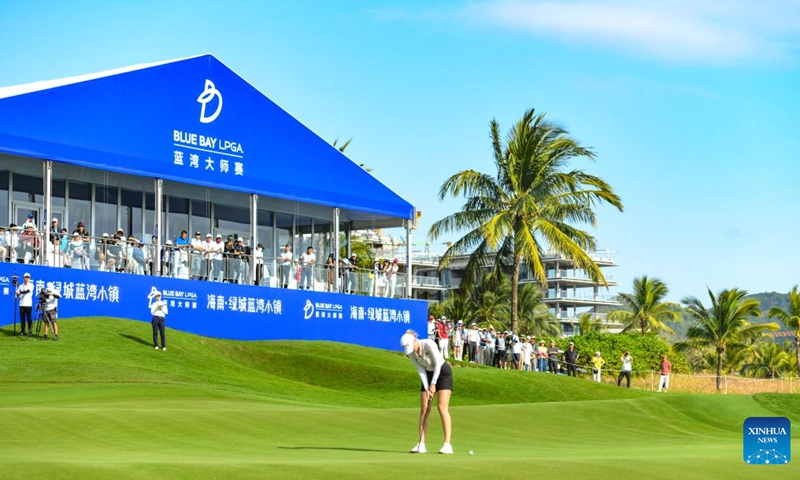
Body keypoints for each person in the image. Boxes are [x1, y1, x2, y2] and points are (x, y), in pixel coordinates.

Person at [400, 330, 453, 455]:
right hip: (428, 375)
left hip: (443, 373)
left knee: (441, 407)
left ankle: (447, 445)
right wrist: (427, 387)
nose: (410, 350)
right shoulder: (412, 353)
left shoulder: (428, 344)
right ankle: (421, 444)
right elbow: (421, 371)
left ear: (414, 341)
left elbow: (439, 365)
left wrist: (433, 384)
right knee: (424, 408)